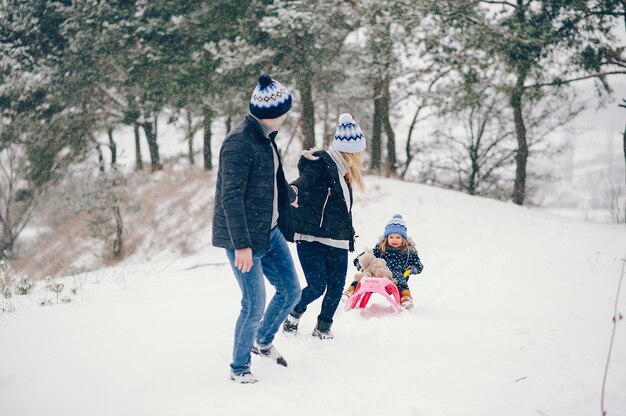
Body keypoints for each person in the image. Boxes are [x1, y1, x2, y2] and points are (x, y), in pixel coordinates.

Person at [212, 74, 301, 384]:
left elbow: (266, 181)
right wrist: (242, 246)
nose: (288, 115)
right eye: (286, 110)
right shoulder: (239, 143)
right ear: (274, 112)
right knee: (253, 303)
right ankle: (239, 368)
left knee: (291, 290)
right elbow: (231, 197)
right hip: (245, 239)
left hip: (270, 230)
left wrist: (288, 195)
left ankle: (261, 341)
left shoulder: (265, 136)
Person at [282, 113, 366, 339]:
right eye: (358, 152)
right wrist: (293, 191)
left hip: (337, 238)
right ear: (350, 151)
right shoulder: (321, 164)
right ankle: (291, 315)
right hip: (312, 237)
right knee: (317, 285)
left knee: (336, 288)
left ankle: (323, 327)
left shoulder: (343, 172)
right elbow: (305, 181)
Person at [342, 214, 424, 309]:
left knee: (399, 277)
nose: (394, 240)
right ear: (386, 238)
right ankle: (350, 292)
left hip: (395, 278)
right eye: (391, 237)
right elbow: (365, 256)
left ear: (403, 239)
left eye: (398, 237)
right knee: (364, 276)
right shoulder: (381, 248)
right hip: (378, 273)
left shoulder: (408, 251)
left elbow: (418, 265)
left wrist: (412, 269)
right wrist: (360, 263)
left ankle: (406, 297)